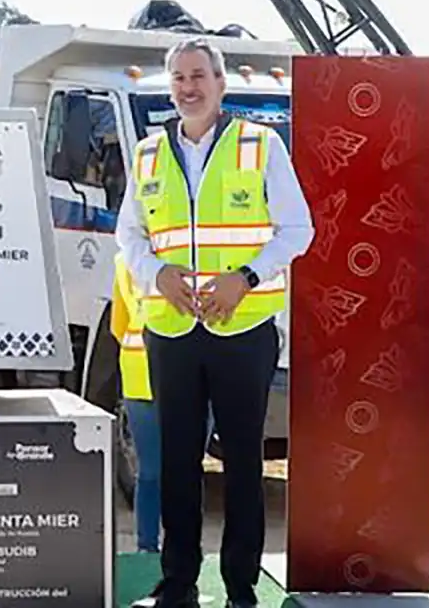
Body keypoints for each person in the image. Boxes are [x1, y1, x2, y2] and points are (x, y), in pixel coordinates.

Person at [115, 36, 314, 608]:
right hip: (172, 329)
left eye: (199, 75)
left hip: (243, 329)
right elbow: (130, 235)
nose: (188, 87)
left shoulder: (261, 146)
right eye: (178, 78)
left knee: (245, 463)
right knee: (177, 460)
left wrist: (245, 278)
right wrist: (156, 274)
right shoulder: (148, 155)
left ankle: (240, 589)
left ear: (220, 84)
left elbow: (297, 231)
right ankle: (177, 585)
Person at [110, 252, 215, 559]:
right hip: (191, 376)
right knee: (188, 468)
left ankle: (147, 548)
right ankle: (185, 548)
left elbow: (118, 325)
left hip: (139, 376)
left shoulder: (124, 260)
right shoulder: (197, 253)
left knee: (150, 470)